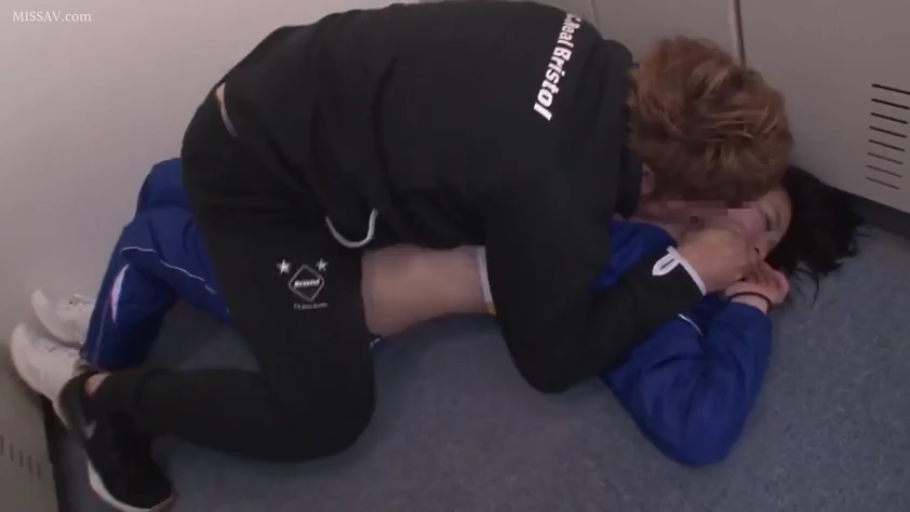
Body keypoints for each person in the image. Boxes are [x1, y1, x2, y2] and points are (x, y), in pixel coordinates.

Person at [22, 2, 794, 509]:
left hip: (279, 86)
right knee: (324, 411)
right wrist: (686, 273)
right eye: (702, 212)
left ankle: (150, 269)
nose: (713, 227)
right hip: (258, 180)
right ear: (656, 178)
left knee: (376, 278)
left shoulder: (584, 46)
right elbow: (552, 361)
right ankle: (103, 399)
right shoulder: (557, 199)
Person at [13, 160, 857, 509]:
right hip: (378, 223)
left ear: (761, 258)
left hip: (354, 295)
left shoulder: (669, 290)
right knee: (177, 178)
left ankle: (97, 392)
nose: (740, 212)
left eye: (763, 221)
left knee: (151, 242)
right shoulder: (652, 194)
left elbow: (698, 425)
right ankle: (123, 319)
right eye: (746, 190)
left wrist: (745, 310)